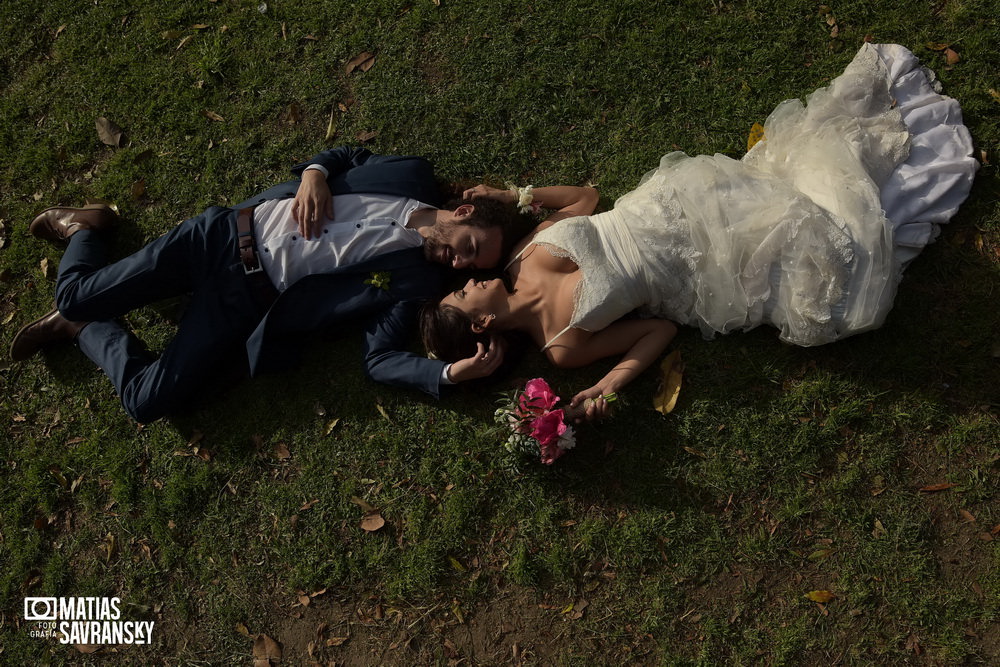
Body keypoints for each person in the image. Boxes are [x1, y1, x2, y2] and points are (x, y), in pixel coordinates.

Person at [421, 43, 979, 420]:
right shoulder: (562, 348)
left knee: (794, 190)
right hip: (694, 267)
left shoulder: (521, 255)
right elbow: (657, 330)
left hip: (672, 205)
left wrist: (514, 196)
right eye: (463, 293)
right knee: (830, 274)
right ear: (485, 321)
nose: (469, 280)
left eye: (462, 282)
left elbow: (588, 200)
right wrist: (609, 384)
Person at [10, 146, 526, 422]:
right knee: (73, 290)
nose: (460, 265)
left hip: (243, 301)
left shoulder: (416, 281)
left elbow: (378, 358)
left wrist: (448, 375)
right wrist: (315, 174)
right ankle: (86, 228)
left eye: (471, 269)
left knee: (146, 402)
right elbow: (346, 155)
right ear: (461, 212)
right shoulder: (409, 174)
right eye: (470, 247)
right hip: (217, 238)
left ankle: (81, 329)